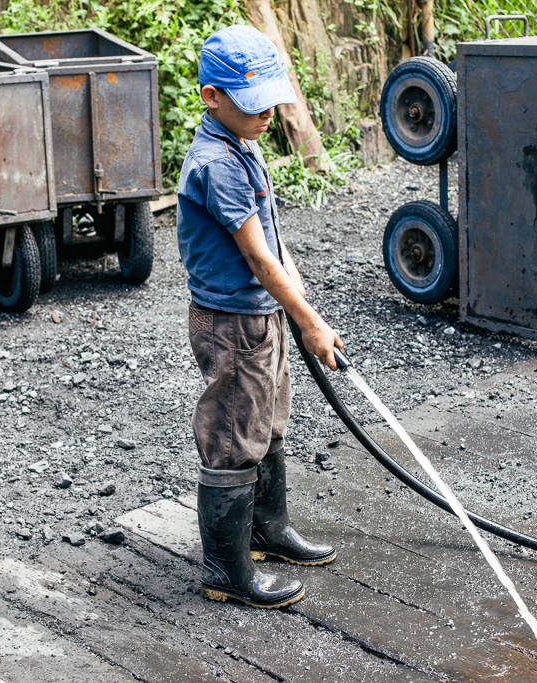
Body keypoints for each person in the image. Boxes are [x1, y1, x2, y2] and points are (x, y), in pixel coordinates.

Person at [176, 24, 344, 609]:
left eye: (271, 100)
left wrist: (304, 313)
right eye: (252, 105)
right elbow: (255, 257)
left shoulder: (244, 146)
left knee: (266, 422)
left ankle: (266, 532)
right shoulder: (216, 163)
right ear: (211, 98)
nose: (266, 114)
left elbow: (275, 248)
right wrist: (308, 322)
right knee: (232, 435)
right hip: (230, 324)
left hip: (260, 316)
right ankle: (226, 569)